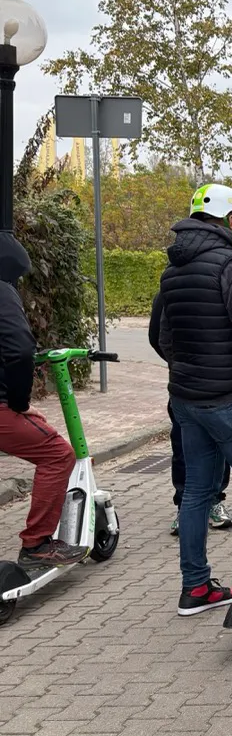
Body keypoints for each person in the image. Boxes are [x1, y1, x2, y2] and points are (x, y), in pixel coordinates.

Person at [154, 184, 232, 615]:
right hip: (231, 399)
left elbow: (160, 337)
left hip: (186, 400)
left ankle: (195, 588)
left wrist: (186, 371)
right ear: (229, 220)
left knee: (196, 493)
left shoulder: (171, 272)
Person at [0, 234, 82, 567]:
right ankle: (37, 545)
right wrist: (19, 403)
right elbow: (19, 351)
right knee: (58, 454)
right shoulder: (2, 290)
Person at [149, 291, 232, 536]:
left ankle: (214, 501)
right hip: (185, 385)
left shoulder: (219, 287)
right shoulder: (169, 290)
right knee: (185, 445)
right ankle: (185, 506)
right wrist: (180, 364)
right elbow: (157, 336)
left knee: (220, 443)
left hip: (217, 383)